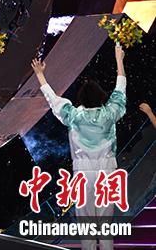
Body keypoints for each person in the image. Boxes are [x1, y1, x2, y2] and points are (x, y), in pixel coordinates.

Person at [31, 45, 127, 250]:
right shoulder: (109, 114)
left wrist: (40, 75)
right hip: (107, 173)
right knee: (105, 227)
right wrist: (119, 60)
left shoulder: (73, 116)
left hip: (82, 175)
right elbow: (120, 91)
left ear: (81, 99)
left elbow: (53, 100)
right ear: (101, 96)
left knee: (87, 230)